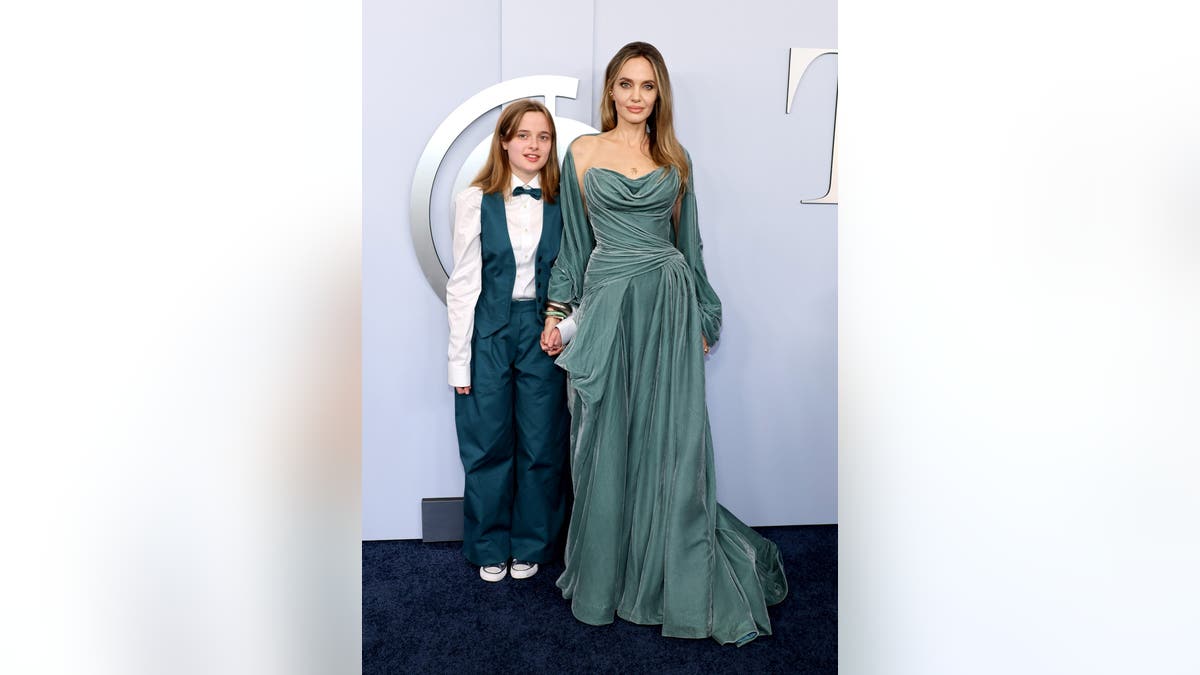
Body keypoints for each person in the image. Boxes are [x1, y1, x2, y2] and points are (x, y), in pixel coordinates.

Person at [539, 42, 788, 645]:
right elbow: (574, 245)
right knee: (601, 439)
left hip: (668, 306)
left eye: (646, 86)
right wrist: (556, 310)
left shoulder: (676, 159)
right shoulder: (581, 153)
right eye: (625, 84)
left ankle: (665, 572)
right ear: (610, 92)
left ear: (659, 96)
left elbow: (690, 244)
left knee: (668, 442)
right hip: (606, 307)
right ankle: (606, 576)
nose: (634, 96)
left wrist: (703, 312)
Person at [447, 99, 570, 583]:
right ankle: (487, 544)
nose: (534, 145)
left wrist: (566, 327)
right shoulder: (475, 200)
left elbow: (578, 274)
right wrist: (459, 362)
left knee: (542, 444)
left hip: (544, 332)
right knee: (487, 442)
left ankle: (532, 542)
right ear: (504, 141)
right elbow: (462, 285)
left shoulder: (567, 202)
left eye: (543, 137)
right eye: (523, 135)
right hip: (490, 330)